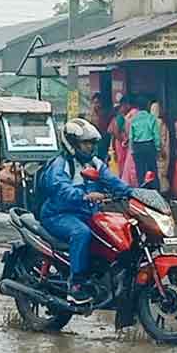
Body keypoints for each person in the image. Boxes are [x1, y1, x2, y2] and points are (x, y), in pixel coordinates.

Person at [39, 118, 133, 306]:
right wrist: (84, 196)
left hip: (85, 214)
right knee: (81, 233)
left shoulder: (95, 163)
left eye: (92, 143)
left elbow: (113, 181)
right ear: (72, 143)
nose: (90, 147)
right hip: (58, 215)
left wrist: (134, 193)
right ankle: (76, 285)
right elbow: (60, 188)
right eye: (86, 143)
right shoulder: (61, 164)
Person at [128, 96, 161, 189]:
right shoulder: (151, 118)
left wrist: (132, 150)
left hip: (137, 146)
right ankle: (155, 191)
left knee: (140, 171)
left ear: (137, 107)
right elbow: (156, 135)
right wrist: (158, 149)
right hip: (149, 145)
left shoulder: (134, 119)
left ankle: (143, 192)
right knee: (152, 169)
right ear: (148, 106)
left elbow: (131, 136)